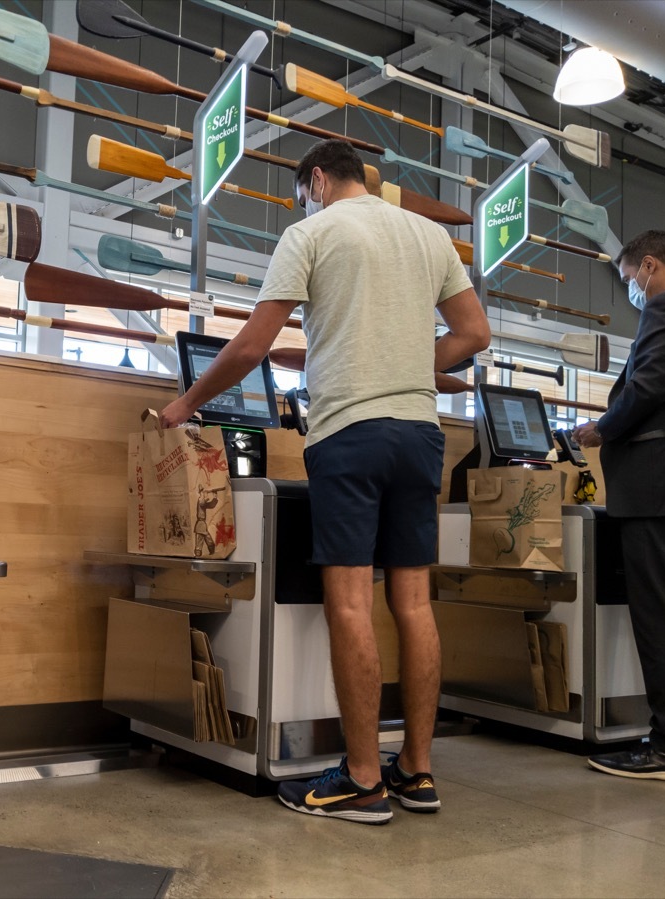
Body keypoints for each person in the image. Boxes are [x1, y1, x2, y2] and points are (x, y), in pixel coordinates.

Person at [160, 138, 490, 824]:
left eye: (302, 190)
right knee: (415, 602)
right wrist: (412, 361)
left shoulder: (311, 232)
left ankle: (364, 781)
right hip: (419, 434)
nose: (302, 200)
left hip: (350, 433)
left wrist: (184, 406)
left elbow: (253, 345)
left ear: (316, 180)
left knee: (348, 602)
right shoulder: (429, 236)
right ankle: (417, 772)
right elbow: (474, 332)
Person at [572, 230, 665, 781]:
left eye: (631, 277)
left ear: (649, 266)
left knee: (658, 620)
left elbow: (649, 386)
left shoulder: (663, 310)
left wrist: (601, 429)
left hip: (654, 492)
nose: (631, 287)